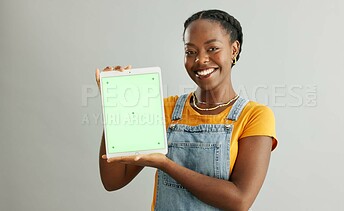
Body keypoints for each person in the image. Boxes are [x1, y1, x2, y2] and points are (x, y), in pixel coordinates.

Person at [95, 9, 278, 211]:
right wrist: (114, 107)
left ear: (234, 49)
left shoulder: (254, 115)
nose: (200, 60)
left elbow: (239, 200)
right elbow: (113, 181)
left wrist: (166, 164)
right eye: (190, 52)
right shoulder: (165, 109)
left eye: (212, 48)